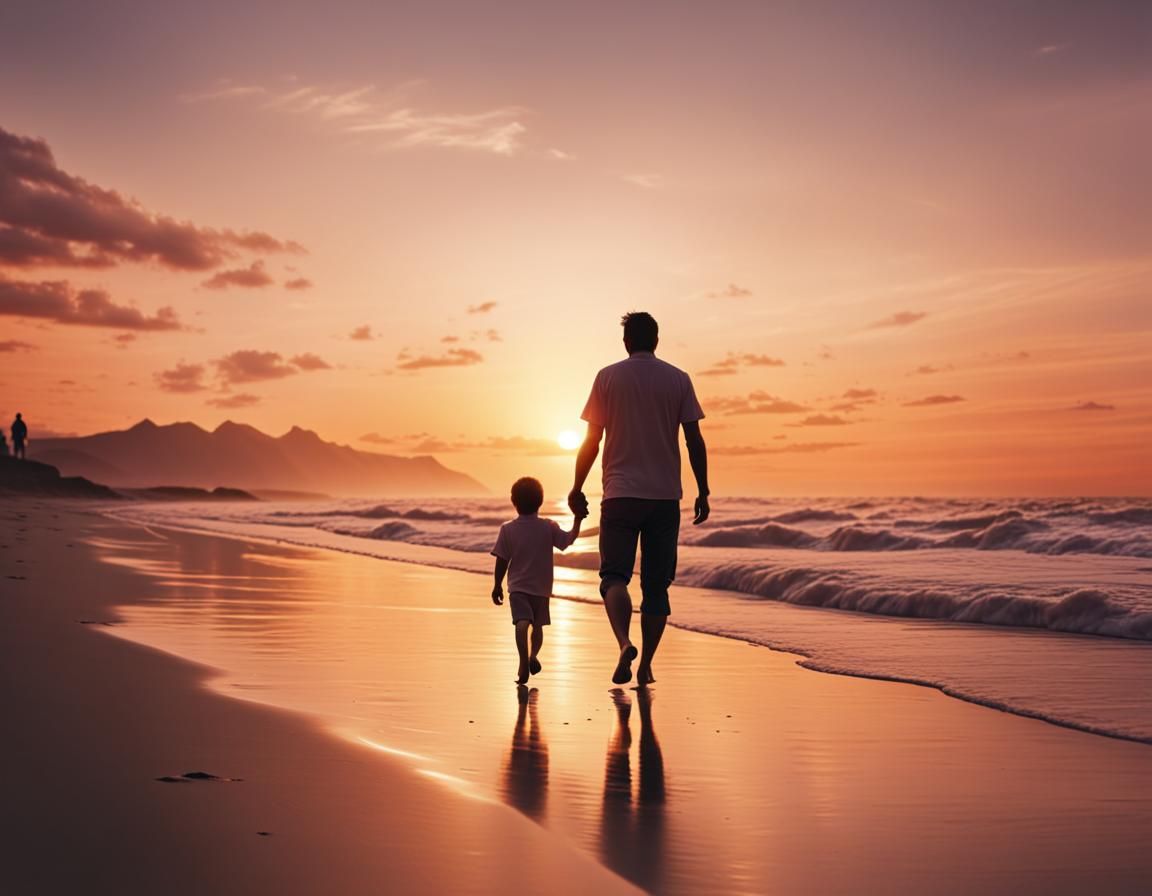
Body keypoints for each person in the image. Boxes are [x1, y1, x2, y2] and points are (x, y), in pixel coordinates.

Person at [570, 312, 710, 686]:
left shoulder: (607, 377)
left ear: (626, 341)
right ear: (657, 340)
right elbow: (693, 440)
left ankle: (623, 643)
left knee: (614, 577)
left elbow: (591, 441)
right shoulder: (678, 379)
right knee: (656, 587)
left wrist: (576, 485)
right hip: (664, 498)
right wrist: (703, 489)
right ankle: (646, 664)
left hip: (620, 495)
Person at [491, 476, 586, 684]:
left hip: (517, 587)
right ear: (540, 501)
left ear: (513, 501)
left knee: (521, 622)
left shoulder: (507, 529)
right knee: (538, 627)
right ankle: (533, 656)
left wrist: (497, 584)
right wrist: (578, 519)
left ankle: (523, 661)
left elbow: (502, 560)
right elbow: (568, 540)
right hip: (541, 588)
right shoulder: (548, 526)